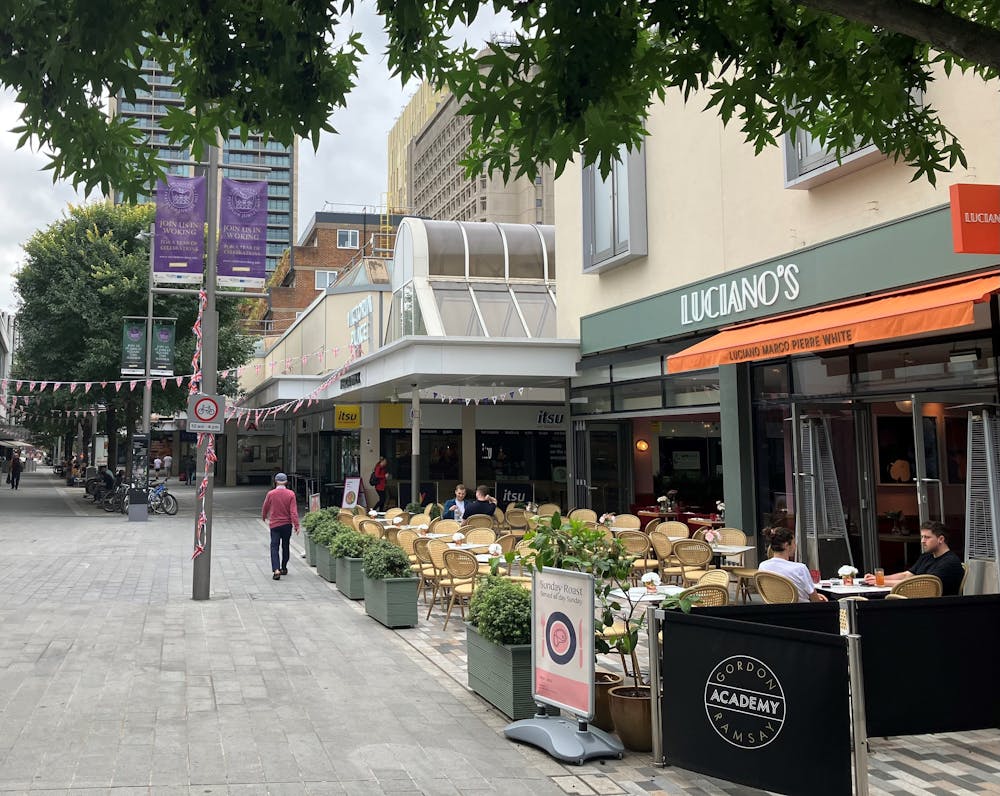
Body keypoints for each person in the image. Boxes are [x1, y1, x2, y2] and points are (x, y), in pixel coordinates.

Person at [864, 520, 964, 595]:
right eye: (922, 537)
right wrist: (878, 578)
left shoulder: (950, 562)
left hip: (937, 608)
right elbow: (907, 575)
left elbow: (922, 585)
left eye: (927, 537)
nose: (922, 541)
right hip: (919, 601)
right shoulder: (927, 556)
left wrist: (882, 582)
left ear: (941, 539)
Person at [758, 526, 828, 603]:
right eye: (794, 542)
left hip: (775, 610)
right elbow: (815, 600)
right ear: (786, 545)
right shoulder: (800, 568)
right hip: (801, 611)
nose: (795, 546)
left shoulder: (763, 566)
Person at [261, 472, 300, 581]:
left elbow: (265, 506)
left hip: (275, 524)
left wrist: (264, 516)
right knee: (285, 546)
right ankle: (284, 567)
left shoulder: (271, 494)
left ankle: (276, 569)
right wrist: (296, 525)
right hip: (287, 525)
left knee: (274, 546)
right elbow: (293, 512)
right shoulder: (291, 494)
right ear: (286, 482)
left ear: (275, 481)